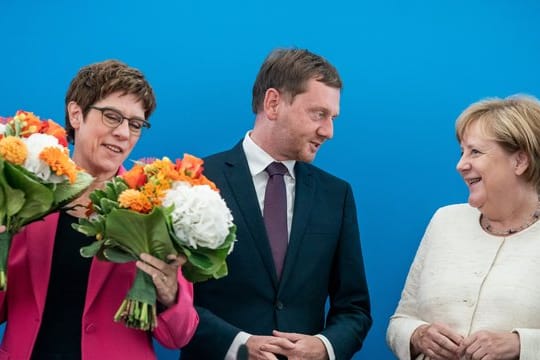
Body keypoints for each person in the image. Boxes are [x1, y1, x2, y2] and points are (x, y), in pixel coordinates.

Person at [181, 48, 372, 360]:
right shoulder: (196, 181)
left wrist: (324, 347)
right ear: (273, 103)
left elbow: (355, 308)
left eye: (332, 118)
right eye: (319, 114)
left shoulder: (336, 196)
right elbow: (174, 300)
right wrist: (239, 344)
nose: (329, 131)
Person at [0, 60, 199, 359]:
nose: (123, 133)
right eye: (112, 117)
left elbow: (179, 335)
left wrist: (169, 294)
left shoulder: (153, 208)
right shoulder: (25, 195)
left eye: (135, 124)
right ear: (76, 114)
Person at [386, 95, 540, 360]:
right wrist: (418, 335)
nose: (460, 165)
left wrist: (521, 344)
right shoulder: (444, 221)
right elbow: (401, 320)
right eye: (462, 152)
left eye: (475, 152)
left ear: (520, 161)